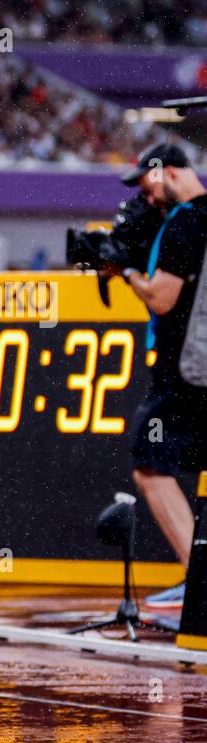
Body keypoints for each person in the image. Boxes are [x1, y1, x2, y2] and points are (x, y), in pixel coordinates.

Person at [117, 144, 207, 616]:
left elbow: (162, 298)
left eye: (148, 184)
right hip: (198, 367)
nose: (146, 197)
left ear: (170, 172)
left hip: (185, 371)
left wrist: (128, 270)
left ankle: (199, 580)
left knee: (149, 463)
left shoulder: (187, 222)